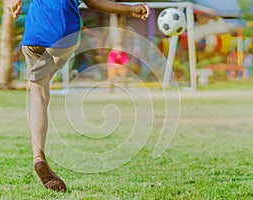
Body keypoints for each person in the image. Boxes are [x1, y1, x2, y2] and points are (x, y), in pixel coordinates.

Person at [8, 0, 150, 192]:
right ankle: (41, 78)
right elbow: (95, 3)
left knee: (38, 95)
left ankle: (38, 156)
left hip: (33, 37)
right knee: (54, 65)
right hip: (65, 35)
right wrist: (130, 8)